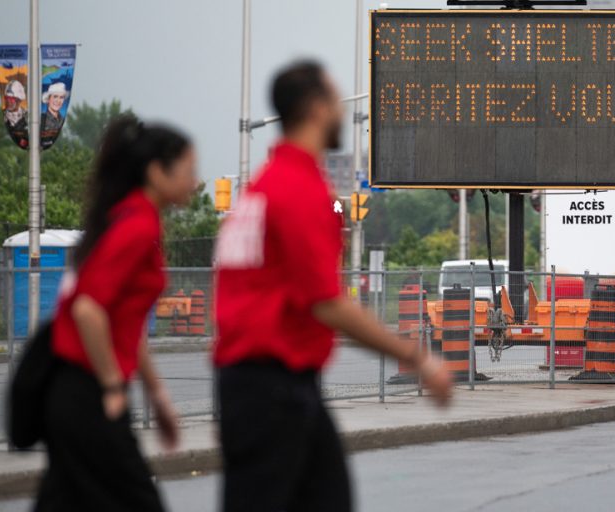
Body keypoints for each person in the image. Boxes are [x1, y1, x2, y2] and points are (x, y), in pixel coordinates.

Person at [213, 60, 453, 512]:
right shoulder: (300, 191)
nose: (343, 111)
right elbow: (326, 303)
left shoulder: (259, 190)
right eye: (336, 99)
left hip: (257, 383)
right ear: (318, 108)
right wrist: (417, 357)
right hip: (272, 390)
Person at [35, 116, 198, 511]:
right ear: (157, 172)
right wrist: (111, 385)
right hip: (88, 394)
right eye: (189, 170)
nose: (195, 181)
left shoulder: (123, 216)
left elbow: (123, 318)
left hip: (74, 392)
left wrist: (156, 393)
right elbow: (89, 309)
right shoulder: (137, 225)